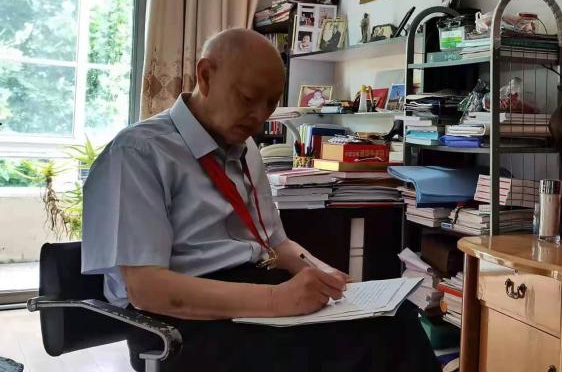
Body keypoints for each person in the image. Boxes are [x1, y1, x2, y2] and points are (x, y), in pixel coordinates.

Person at [82, 29, 438, 371]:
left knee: (396, 323)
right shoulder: (139, 153)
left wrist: (327, 276)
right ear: (205, 76)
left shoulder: (246, 148)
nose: (260, 117)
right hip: (179, 323)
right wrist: (277, 300)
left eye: (271, 103)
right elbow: (146, 289)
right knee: (353, 349)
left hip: (253, 291)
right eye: (248, 98)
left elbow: (276, 244)